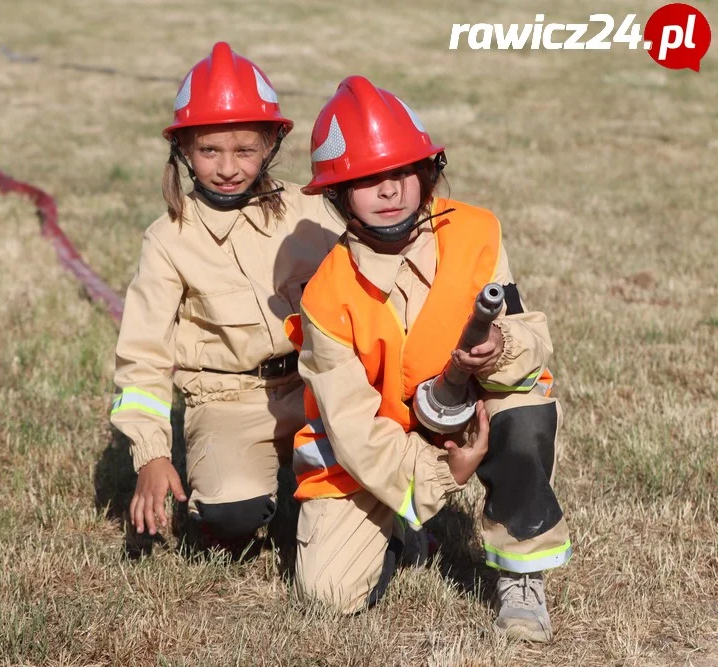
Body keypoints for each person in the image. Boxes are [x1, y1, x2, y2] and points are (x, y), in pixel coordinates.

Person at [288, 75, 571, 642]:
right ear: (337, 195)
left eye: (401, 172)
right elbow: (351, 428)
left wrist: (500, 350)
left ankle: (521, 577)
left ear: (427, 171)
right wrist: (440, 472)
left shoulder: (477, 231)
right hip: (385, 441)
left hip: (475, 408)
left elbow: (529, 335)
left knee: (525, 409)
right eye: (367, 179)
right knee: (328, 596)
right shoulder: (325, 295)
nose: (389, 190)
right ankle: (404, 527)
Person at [110, 43, 344, 553]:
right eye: (209, 150)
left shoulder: (313, 212)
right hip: (228, 399)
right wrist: (151, 454)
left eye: (245, 150)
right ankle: (233, 497)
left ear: (271, 145)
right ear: (184, 152)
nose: (228, 167)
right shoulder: (168, 238)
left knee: (352, 502)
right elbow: (143, 359)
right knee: (230, 520)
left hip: (317, 386)